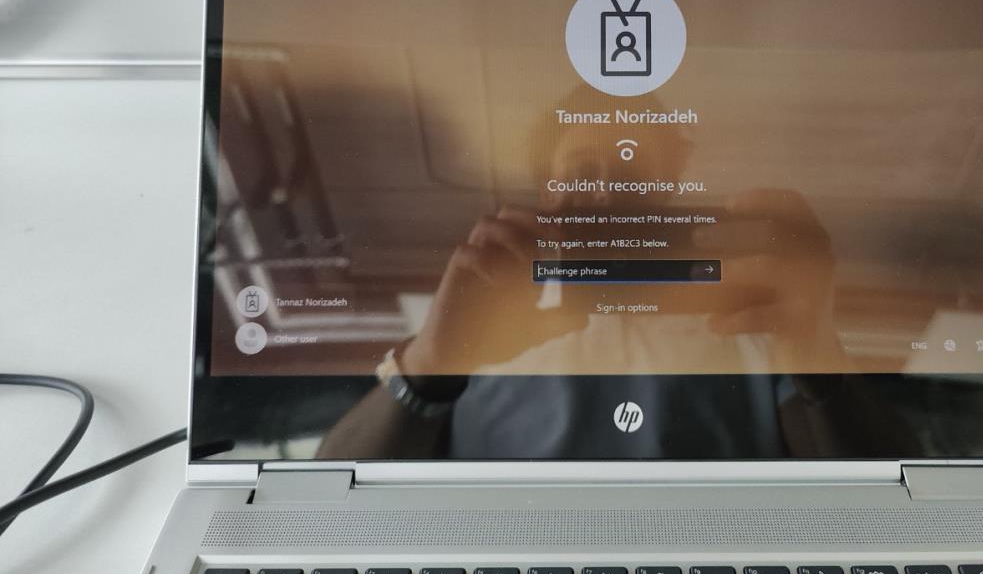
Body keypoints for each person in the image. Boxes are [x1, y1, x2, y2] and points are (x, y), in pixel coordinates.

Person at [318, 85, 858, 460]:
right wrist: (430, 365)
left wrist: (817, 349)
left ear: (669, 185)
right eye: (582, 171)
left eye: (631, 170)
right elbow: (331, 494)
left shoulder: (754, 323)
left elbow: (871, 492)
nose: (604, 191)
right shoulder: (470, 331)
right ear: (547, 189)